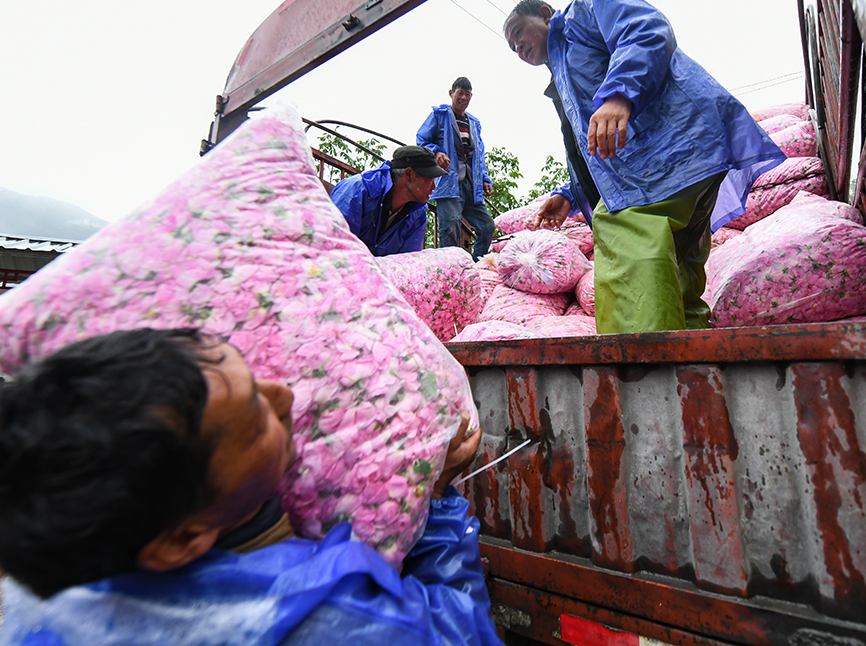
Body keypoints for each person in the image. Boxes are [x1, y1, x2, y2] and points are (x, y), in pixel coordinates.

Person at [0, 328, 502, 646]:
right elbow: (463, 631)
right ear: (180, 540)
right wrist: (435, 501)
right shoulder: (332, 618)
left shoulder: (31, 593)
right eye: (255, 416)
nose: (283, 394)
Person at [502, 0, 786, 335]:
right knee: (677, 263)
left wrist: (621, 94)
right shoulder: (561, 75)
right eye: (511, 47)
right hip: (679, 163)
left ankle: (643, 371)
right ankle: (693, 361)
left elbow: (646, 28)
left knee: (623, 228)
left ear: (545, 14)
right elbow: (591, 147)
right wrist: (569, 195)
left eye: (518, 34)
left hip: (670, 153)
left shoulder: (582, 14)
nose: (518, 48)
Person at [416, 77, 495, 261]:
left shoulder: (473, 123)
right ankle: (451, 269)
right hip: (449, 183)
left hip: (471, 185)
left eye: (467, 95)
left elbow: (479, 155)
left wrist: (484, 179)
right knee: (450, 227)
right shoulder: (440, 115)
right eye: (460, 93)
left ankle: (478, 265)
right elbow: (422, 139)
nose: (463, 98)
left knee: (487, 225)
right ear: (451, 93)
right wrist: (436, 153)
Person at [330, 145, 447, 257]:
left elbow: (406, 267)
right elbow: (332, 247)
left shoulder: (418, 216)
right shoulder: (355, 191)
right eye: (430, 178)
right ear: (409, 174)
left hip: (377, 276)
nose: (434, 187)